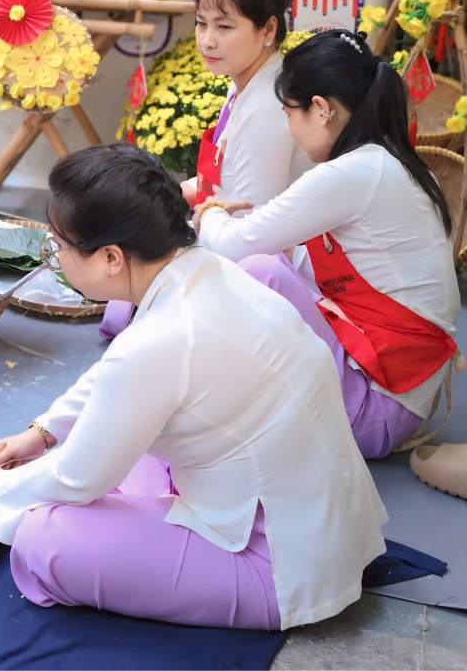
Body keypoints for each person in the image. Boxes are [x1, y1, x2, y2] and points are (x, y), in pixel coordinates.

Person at [0, 143, 387, 631]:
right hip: (318, 526)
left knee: (44, 537)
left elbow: (81, 474)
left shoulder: (160, 339)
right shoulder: (206, 270)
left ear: (111, 257)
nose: (55, 259)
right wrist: (45, 431)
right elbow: (119, 374)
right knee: (105, 456)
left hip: (278, 563)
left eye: (58, 248)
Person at [195, 30, 460, 458]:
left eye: (289, 113)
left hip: (377, 410)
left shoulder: (353, 173)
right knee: (273, 263)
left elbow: (233, 247)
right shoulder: (390, 162)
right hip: (401, 398)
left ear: (321, 110)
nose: (288, 127)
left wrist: (211, 212)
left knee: (259, 271)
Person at [100, 0, 311, 339]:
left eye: (224, 26)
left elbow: (248, 233)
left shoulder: (267, 105)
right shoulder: (247, 80)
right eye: (201, 23)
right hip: (226, 227)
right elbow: (221, 182)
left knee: (126, 285)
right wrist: (148, 201)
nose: (207, 40)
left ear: (268, 29)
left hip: (267, 269)